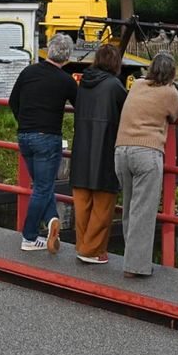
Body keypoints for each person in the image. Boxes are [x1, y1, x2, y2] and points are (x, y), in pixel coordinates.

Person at [115, 52, 178, 277]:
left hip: (121, 151)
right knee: (143, 211)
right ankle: (135, 267)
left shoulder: (137, 85)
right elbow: (175, 115)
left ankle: (131, 258)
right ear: (171, 73)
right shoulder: (169, 93)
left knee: (129, 207)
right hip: (146, 153)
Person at [8, 33, 78, 252]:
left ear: (48, 50)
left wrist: (24, 122)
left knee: (40, 184)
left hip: (25, 135)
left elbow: (13, 101)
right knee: (42, 187)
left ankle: (51, 220)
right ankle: (29, 237)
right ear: (67, 57)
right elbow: (80, 105)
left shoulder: (28, 72)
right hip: (47, 137)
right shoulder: (66, 80)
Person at [70, 44, 128, 263]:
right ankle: (91, 251)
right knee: (103, 204)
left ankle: (82, 245)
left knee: (82, 202)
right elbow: (128, 108)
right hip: (105, 146)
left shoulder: (84, 82)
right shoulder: (114, 85)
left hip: (82, 146)